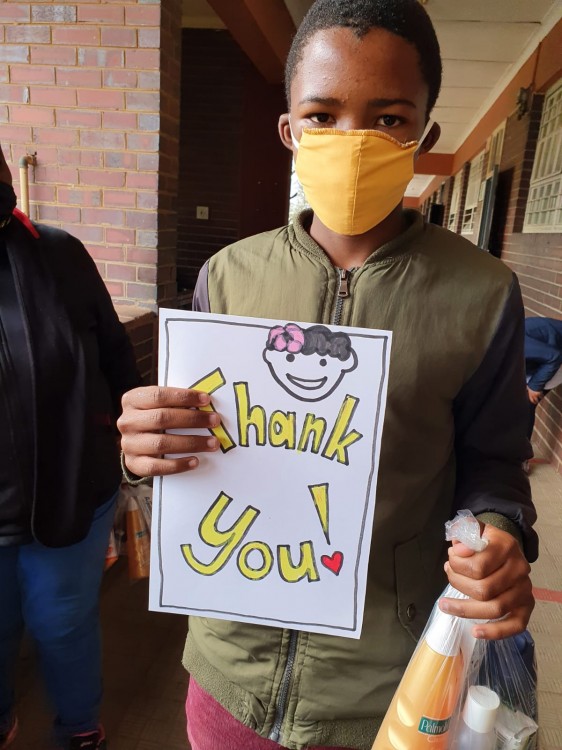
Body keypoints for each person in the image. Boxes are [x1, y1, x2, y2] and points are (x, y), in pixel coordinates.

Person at [118, 2, 538, 748]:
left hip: (385, 686)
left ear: (424, 135)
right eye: (322, 115)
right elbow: (196, 448)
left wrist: (500, 535)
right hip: (229, 670)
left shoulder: (481, 295)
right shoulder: (229, 276)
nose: (352, 141)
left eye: (389, 118)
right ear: (289, 131)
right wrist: (145, 450)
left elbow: (495, 464)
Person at [0, 144, 141, 750]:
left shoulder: (58, 252)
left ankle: (79, 726)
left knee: (62, 622)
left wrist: (135, 447)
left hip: (73, 488)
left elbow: (115, 355)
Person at [524, 316, 562, 439]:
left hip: (555, 358)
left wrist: (535, 386)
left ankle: (521, 449)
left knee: (526, 403)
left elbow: (554, 357)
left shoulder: (516, 344)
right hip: (543, 356)